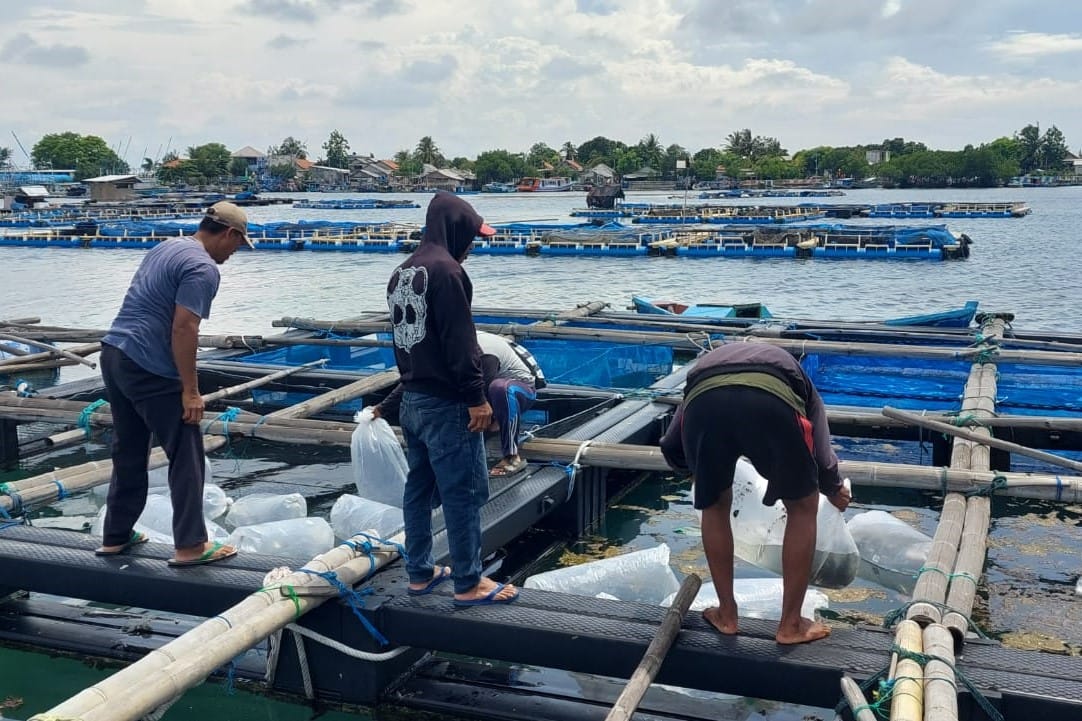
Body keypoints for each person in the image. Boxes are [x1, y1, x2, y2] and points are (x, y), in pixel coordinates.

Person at [659, 342, 852, 645]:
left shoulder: (705, 368)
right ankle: (790, 625)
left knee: (714, 505)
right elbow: (822, 447)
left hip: (704, 402)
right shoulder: (798, 376)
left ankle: (726, 615)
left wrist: (696, 468)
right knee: (803, 506)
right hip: (771, 401)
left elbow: (671, 445)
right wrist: (833, 487)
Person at [95, 202, 252, 566]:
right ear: (228, 234)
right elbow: (184, 328)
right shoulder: (202, 268)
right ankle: (190, 546)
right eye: (238, 244)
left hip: (115, 352)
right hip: (149, 364)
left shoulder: (167, 246)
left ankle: (116, 536)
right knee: (186, 452)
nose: (235, 252)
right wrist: (191, 391)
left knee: (129, 449)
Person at [386, 191, 518, 606]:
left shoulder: (402, 272)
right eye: (472, 236)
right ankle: (468, 582)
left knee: (419, 488)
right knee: (464, 492)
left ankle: (420, 573)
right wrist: (477, 398)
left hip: (413, 398)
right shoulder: (447, 272)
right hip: (447, 402)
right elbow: (462, 344)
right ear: (456, 229)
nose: (473, 245)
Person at [375, 329, 546, 478]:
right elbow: (413, 381)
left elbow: (479, 396)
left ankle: (511, 456)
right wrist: (381, 409)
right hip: (487, 389)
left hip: (520, 389)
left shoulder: (484, 354)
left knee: (498, 389)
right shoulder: (439, 349)